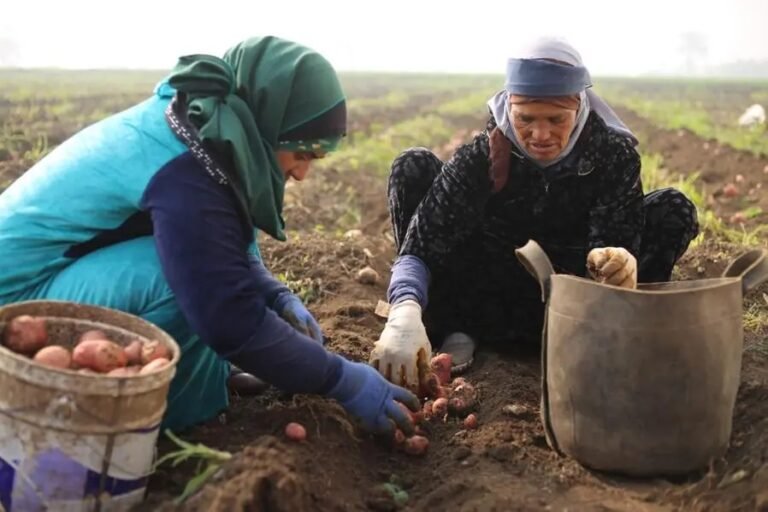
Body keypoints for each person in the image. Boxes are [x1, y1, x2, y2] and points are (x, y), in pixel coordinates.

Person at [0, 36, 419, 435]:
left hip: (58, 277)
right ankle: (165, 418)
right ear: (270, 125)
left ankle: (205, 374)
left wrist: (274, 293)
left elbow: (221, 236)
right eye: (301, 152)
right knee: (186, 282)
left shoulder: (202, 121)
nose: (302, 171)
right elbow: (227, 316)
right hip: (20, 310)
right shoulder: (186, 170)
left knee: (200, 269)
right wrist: (340, 379)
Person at [369, 38, 700, 389]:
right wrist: (404, 310)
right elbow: (422, 243)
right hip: (486, 287)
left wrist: (619, 261)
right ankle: (447, 324)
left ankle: (614, 335)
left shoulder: (612, 156)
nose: (540, 134)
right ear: (509, 108)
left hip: (571, 295)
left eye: (557, 119)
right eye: (525, 119)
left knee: (673, 209)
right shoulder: (484, 155)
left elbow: (611, 244)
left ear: (579, 107)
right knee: (413, 166)